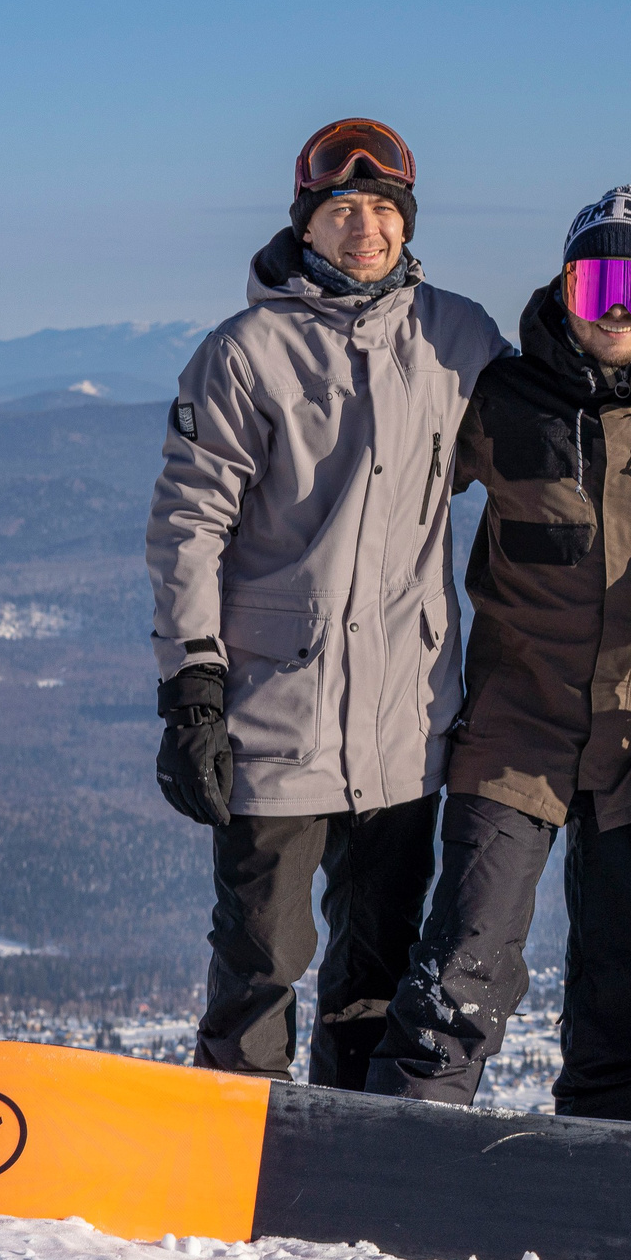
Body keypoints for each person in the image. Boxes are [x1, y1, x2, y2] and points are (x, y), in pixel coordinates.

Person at [364, 186, 631, 1121]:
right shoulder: (506, 400)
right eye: (599, 285)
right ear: (564, 290)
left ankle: (609, 1148)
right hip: (518, 733)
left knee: (623, 987)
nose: (620, 311)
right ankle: (407, 1131)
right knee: (464, 960)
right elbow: (387, 477)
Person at [148, 117, 510, 1086]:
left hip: (404, 715)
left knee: (376, 970)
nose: (366, 229)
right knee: (261, 961)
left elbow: (549, 429)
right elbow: (189, 526)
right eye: (343, 209)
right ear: (304, 225)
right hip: (275, 714)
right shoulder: (244, 354)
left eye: (384, 209)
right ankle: (237, 1144)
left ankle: (346, 1142)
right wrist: (190, 686)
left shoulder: (458, 335)